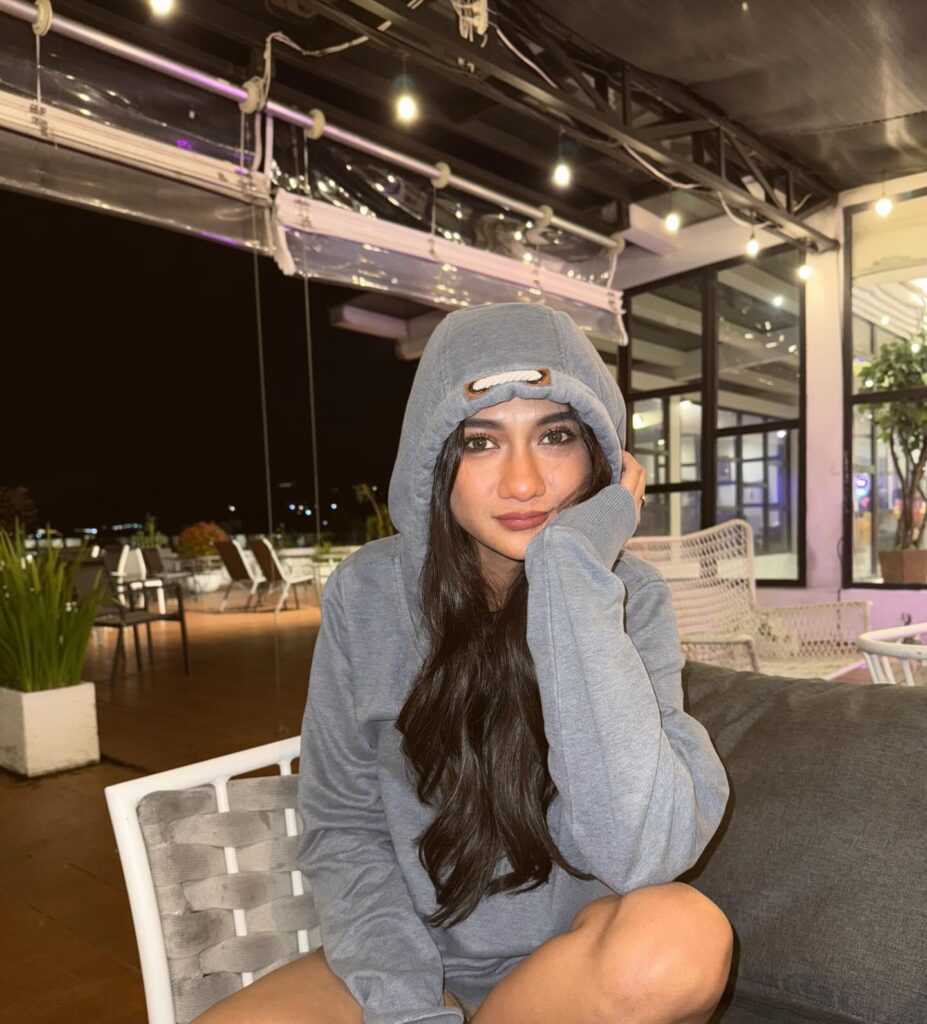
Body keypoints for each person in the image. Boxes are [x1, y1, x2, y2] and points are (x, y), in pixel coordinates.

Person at [199, 303, 731, 1024]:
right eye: (481, 442)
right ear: (434, 460)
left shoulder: (629, 595)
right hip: (402, 958)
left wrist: (572, 576)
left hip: (574, 971)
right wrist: (408, 1004)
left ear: (602, 457)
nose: (522, 483)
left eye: (555, 436)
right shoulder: (367, 593)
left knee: (681, 940)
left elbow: (644, 853)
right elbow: (343, 824)